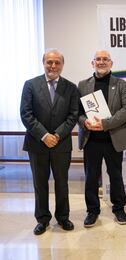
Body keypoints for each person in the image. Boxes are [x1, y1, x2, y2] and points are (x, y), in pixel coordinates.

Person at [20, 49, 79, 235]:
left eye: (56, 62)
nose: (53, 66)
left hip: (61, 144)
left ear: (62, 65)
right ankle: (42, 219)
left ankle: (63, 217)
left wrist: (57, 135)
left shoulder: (71, 87)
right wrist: (45, 135)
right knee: (40, 183)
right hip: (37, 144)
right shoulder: (30, 85)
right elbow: (26, 114)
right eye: (49, 62)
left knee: (62, 182)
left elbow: (73, 115)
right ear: (43, 63)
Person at [78, 50, 126, 227]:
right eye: (98, 59)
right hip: (91, 139)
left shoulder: (122, 84)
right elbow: (76, 112)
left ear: (111, 63)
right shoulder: (83, 85)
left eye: (105, 59)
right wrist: (84, 121)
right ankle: (92, 211)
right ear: (92, 63)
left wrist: (105, 124)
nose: (101, 62)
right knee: (91, 177)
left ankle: (119, 208)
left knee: (115, 175)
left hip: (113, 138)